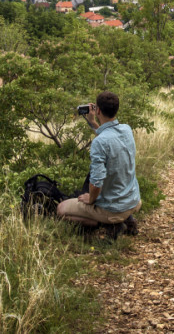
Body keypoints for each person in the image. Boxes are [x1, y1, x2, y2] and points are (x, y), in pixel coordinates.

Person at [57, 91, 141, 235]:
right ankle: (125, 219)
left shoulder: (99, 142)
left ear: (98, 110)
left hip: (113, 209)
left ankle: (109, 225)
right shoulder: (126, 129)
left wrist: (90, 199)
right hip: (134, 201)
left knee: (61, 209)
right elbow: (109, 135)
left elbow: (96, 183)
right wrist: (92, 122)